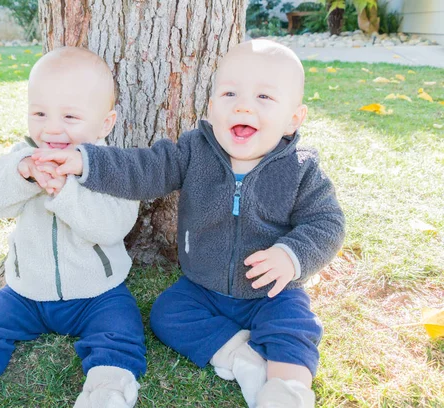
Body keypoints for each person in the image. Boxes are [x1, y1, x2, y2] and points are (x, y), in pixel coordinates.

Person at [34, 40, 346, 408]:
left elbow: (327, 223)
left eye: (264, 97)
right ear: (212, 108)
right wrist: (87, 163)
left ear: (294, 118)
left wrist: (291, 255)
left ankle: (286, 391)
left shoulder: (301, 169)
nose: (243, 105)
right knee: (167, 315)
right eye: (230, 93)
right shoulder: (194, 151)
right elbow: (143, 169)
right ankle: (239, 357)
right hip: (202, 287)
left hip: (270, 291)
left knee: (293, 327)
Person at [0, 47, 146, 408]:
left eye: (70, 116)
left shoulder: (117, 169)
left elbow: (111, 228)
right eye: (39, 113)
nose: (51, 128)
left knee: (120, 332)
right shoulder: (24, 156)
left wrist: (65, 192)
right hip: (25, 292)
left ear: (105, 123)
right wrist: (23, 173)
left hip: (98, 293)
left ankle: (107, 391)